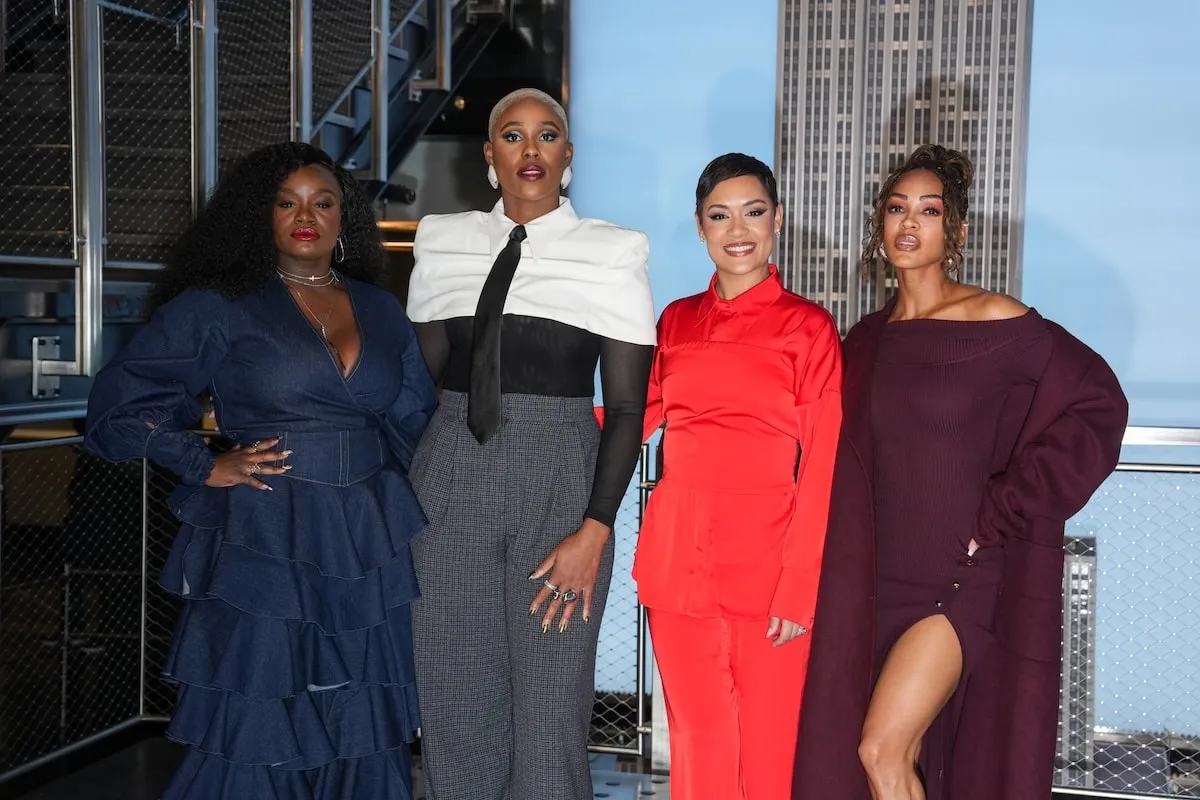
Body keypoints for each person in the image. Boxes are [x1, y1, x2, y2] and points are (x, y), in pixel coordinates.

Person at [83, 142, 435, 799]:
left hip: (365, 543)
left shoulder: (381, 310)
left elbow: (417, 424)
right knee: (258, 717)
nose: (308, 215)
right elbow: (119, 404)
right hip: (266, 535)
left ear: (344, 218)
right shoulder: (220, 304)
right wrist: (201, 461)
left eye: (324, 202)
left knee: (364, 719)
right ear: (259, 215)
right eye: (287, 202)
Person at [792, 144, 1128, 800]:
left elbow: (1098, 403)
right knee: (906, 755)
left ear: (957, 231)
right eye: (896, 208)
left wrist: (1006, 507)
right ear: (879, 224)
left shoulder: (997, 323)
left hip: (958, 582)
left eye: (929, 209)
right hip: (876, 584)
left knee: (879, 749)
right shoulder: (864, 340)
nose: (909, 222)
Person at [404, 88, 656, 800]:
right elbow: (415, 388)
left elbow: (629, 406)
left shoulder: (613, 252)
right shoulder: (442, 240)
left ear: (567, 157)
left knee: (548, 720)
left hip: (560, 482)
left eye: (548, 136)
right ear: (491, 157)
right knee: (454, 709)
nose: (531, 149)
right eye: (512, 136)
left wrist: (596, 530)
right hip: (450, 476)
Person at [636, 153, 843, 800]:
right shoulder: (675, 320)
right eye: (719, 216)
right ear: (699, 228)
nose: (738, 229)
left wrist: (799, 589)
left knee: (769, 753)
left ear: (777, 219)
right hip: (679, 563)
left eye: (754, 212)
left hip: (770, 569)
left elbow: (826, 462)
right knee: (697, 747)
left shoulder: (808, 329)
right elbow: (629, 419)